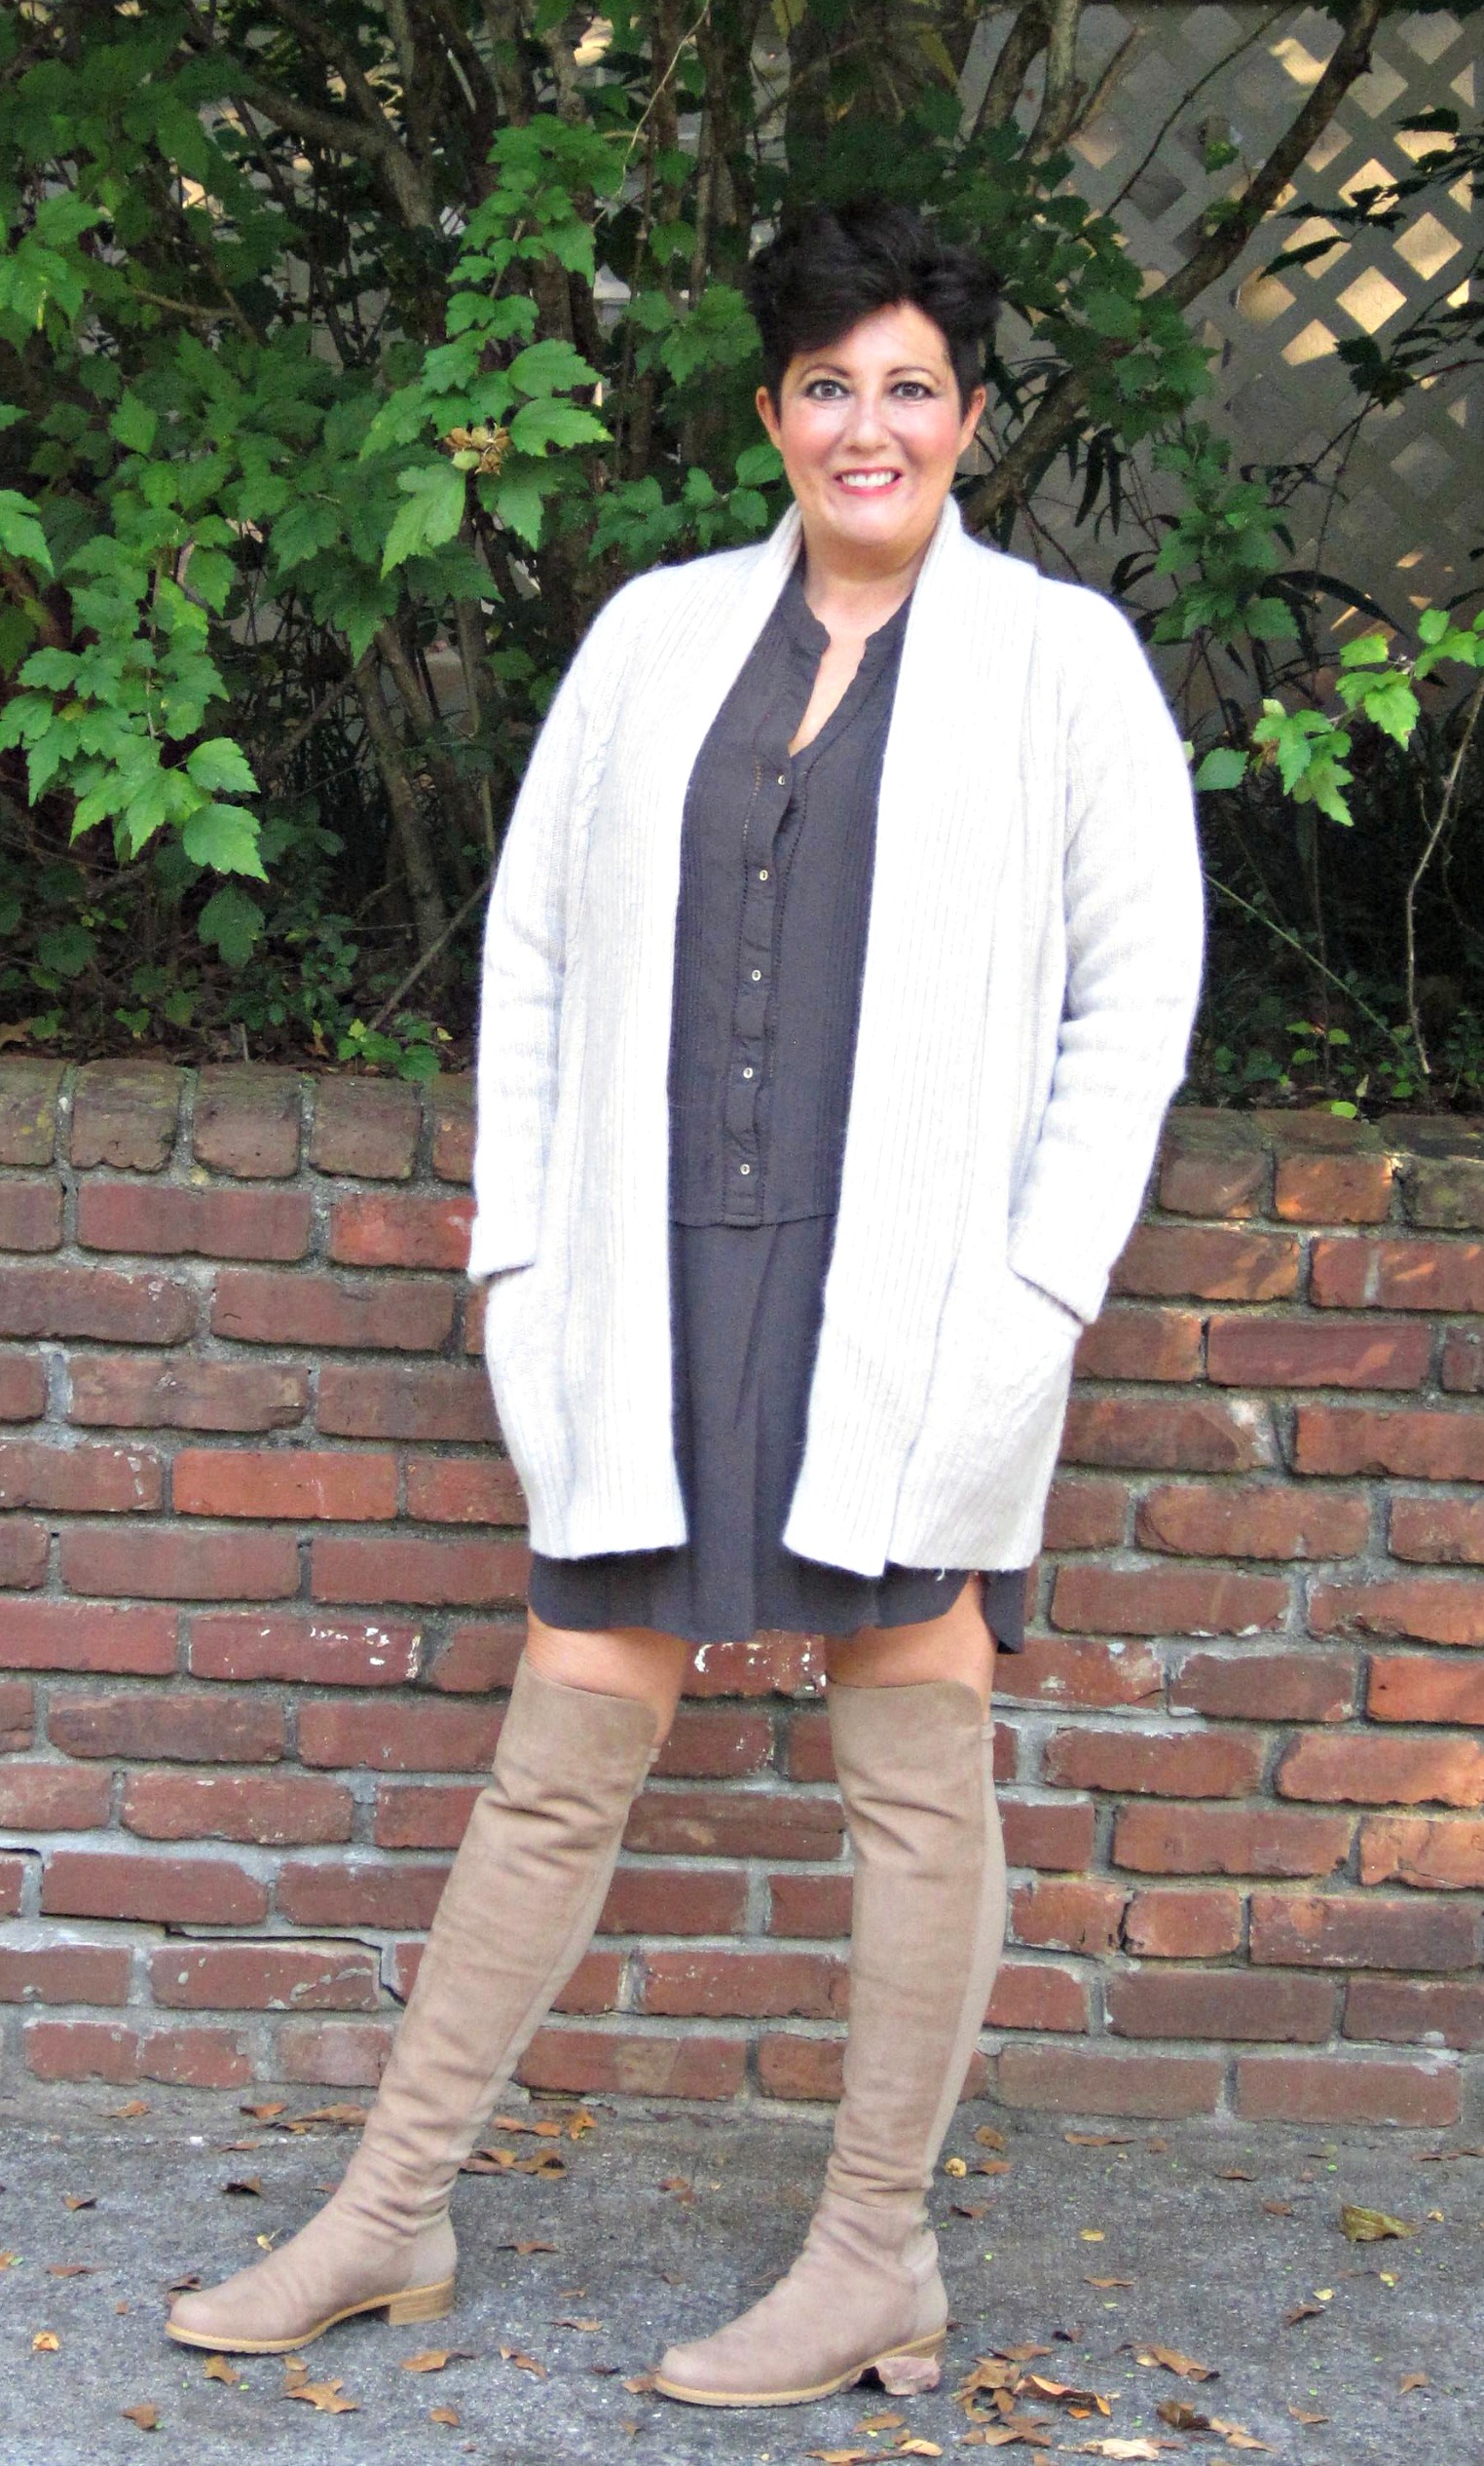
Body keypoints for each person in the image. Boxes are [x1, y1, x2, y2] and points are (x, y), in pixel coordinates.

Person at [166, 198, 1206, 2409]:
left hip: (913, 1290)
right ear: (772, 413)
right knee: (565, 1738)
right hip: (647, 1277)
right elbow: (534, 952)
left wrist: (1039, 1289)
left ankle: (873, 2256)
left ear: (970, 420)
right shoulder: (653, 638)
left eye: (910, 386)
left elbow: (1133, 1005)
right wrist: (520, 1252)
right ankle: (389, 2209)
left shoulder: (1063, 663)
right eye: (828, 386)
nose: (867, 426)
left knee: (913, 1757)